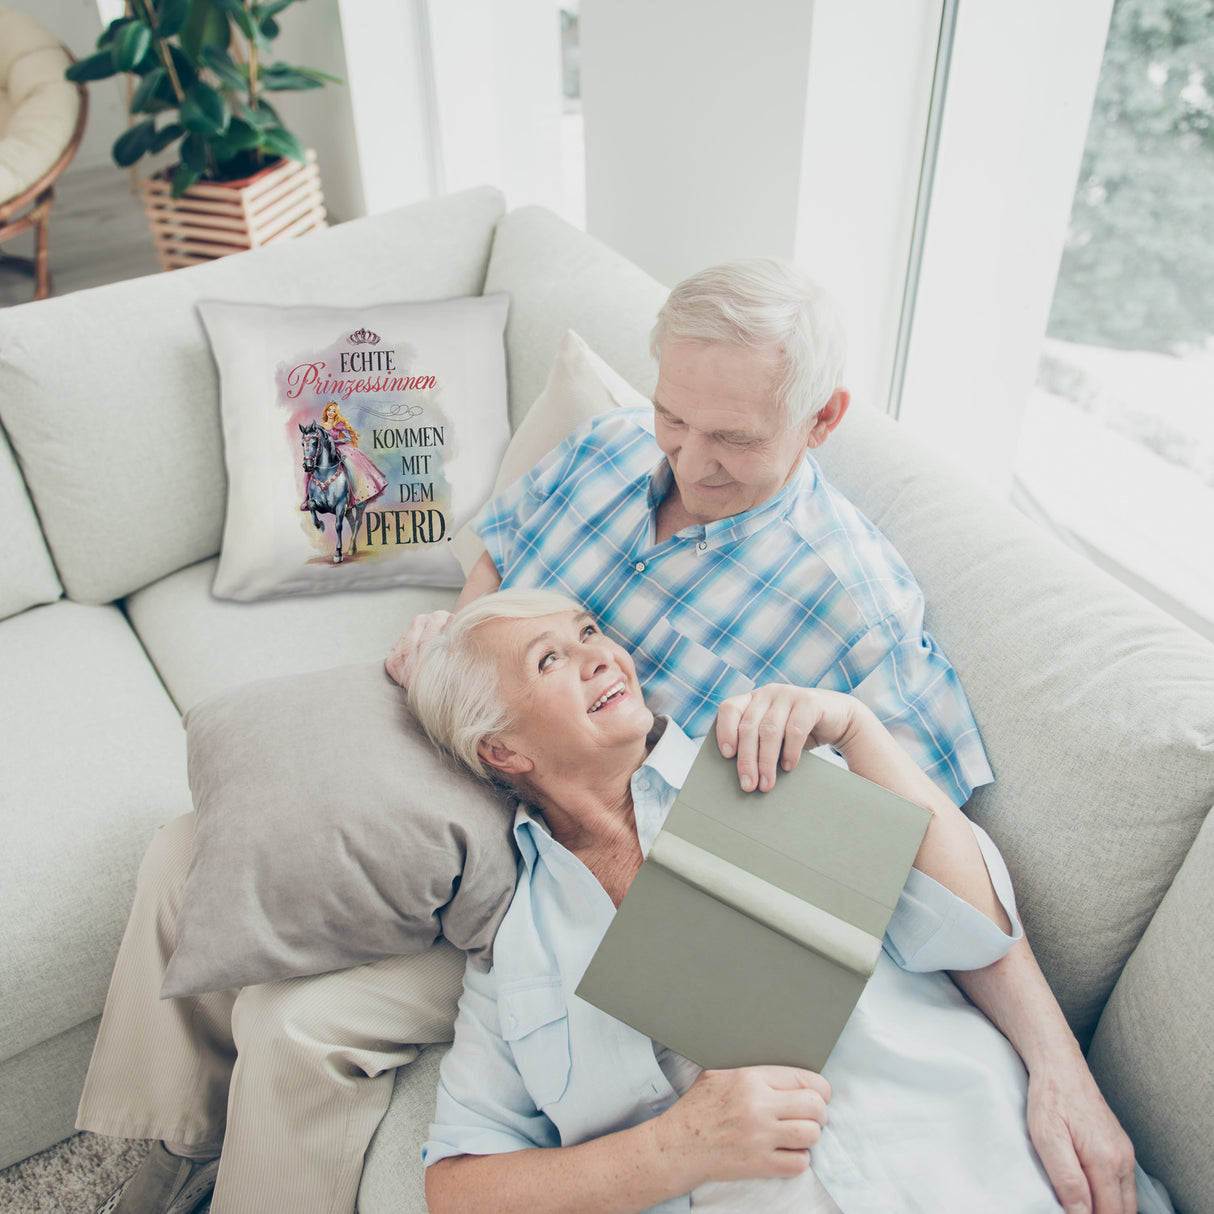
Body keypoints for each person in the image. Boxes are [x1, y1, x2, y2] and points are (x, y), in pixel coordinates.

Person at [79, 260, 1132, 1214]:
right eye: (675, 416)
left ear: (820, 420)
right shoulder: (608, 447)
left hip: (578, 851)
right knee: (192, 847)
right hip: (486, 746)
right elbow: (498, 559)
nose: (688, 458)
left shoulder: (854, 608)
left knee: (300, 1023)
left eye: (732, 438)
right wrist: (458, 644)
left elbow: (927, 855)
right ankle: (160, 1149)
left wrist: (1058, 1064)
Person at [407, 589, 1161, 1214]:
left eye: (589, 632)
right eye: (550, 659)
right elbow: (458, 1187)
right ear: (502, 750)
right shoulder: (516, 951)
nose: (601, 654)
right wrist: (673, 1150)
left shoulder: (762, 762)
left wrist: (859, 731)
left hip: (985, 1166)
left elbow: (973, 929)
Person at [300, 400, 387, 510]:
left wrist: (334, 442)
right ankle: (307, 498)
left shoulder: (338, 424)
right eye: (329, 410)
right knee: (309, 470)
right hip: (323, 452)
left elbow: (348, 438)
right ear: (326, 411)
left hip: (339, 448)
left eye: (334, 411)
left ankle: (357, 495)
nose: (331, 413)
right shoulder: (320, 426)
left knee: (352, 466)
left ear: (336, 413)